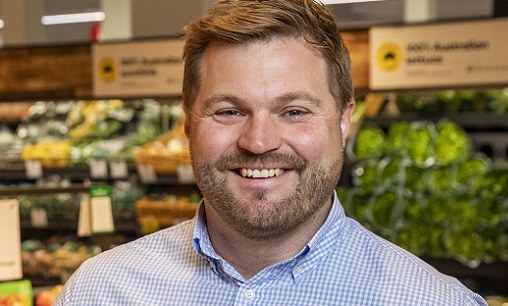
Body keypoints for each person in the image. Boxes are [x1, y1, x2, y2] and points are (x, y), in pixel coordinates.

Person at [54, 0, 488, 305]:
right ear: (188, 125)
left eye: (294, 110)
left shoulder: (435, 301)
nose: (259, 142)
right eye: (228, 111)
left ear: (343, 121)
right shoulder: (100, 292)